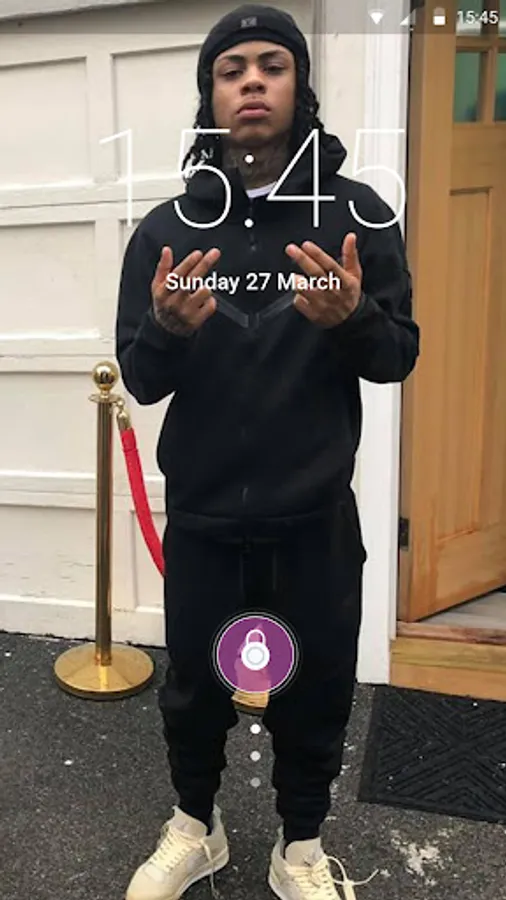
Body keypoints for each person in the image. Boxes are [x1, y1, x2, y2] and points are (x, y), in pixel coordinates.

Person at [115, 4, 420, 899]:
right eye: (232, 68)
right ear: (209, 96)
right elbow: (141, 378)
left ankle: (301, 848)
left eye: (272, 65)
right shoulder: (166, 231)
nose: (252, 81)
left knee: (316, 687)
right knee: (194, 687)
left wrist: (353, 319)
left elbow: (397, 356)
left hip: (314, 516)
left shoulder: (357, 215)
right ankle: (195, 827)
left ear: (300, 87)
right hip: (206, 515)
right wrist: (168, 331)